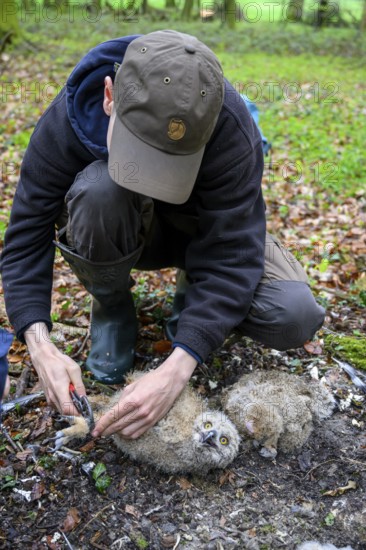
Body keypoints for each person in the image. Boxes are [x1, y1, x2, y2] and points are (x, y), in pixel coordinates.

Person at [0, 30, 325, 441]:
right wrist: (39, 342)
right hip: (126, 228)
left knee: (294, 314)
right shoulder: (66, 119)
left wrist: (180, 364)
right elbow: (26, 233)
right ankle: (112, 305)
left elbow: (234, 250)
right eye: (141, 152)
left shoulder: (230, 125)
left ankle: (194, 293)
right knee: (100, 189)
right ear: (109, 96)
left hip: (201, 235)